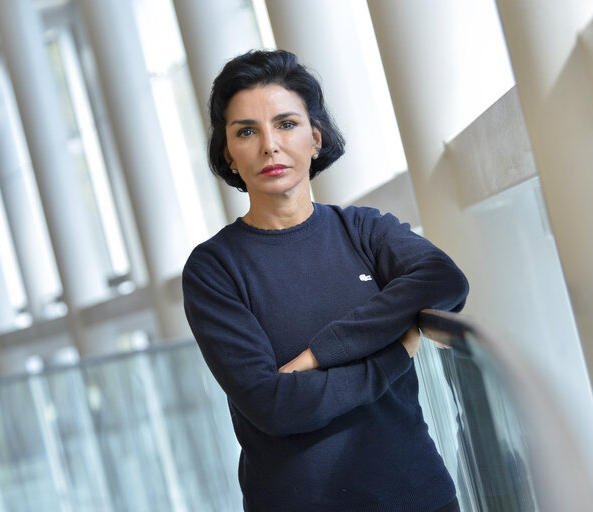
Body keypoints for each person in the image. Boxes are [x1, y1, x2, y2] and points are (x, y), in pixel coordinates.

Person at [182, 49, 469, 512]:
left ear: (316, 137)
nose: (269, 145)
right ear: (228, 154)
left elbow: (444, 279)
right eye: (247, 132)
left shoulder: (365, 230)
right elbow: (274, 405)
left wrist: (321, 354)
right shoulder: (213, 269)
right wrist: (394, 351)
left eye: (286, 124)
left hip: (418, 497)